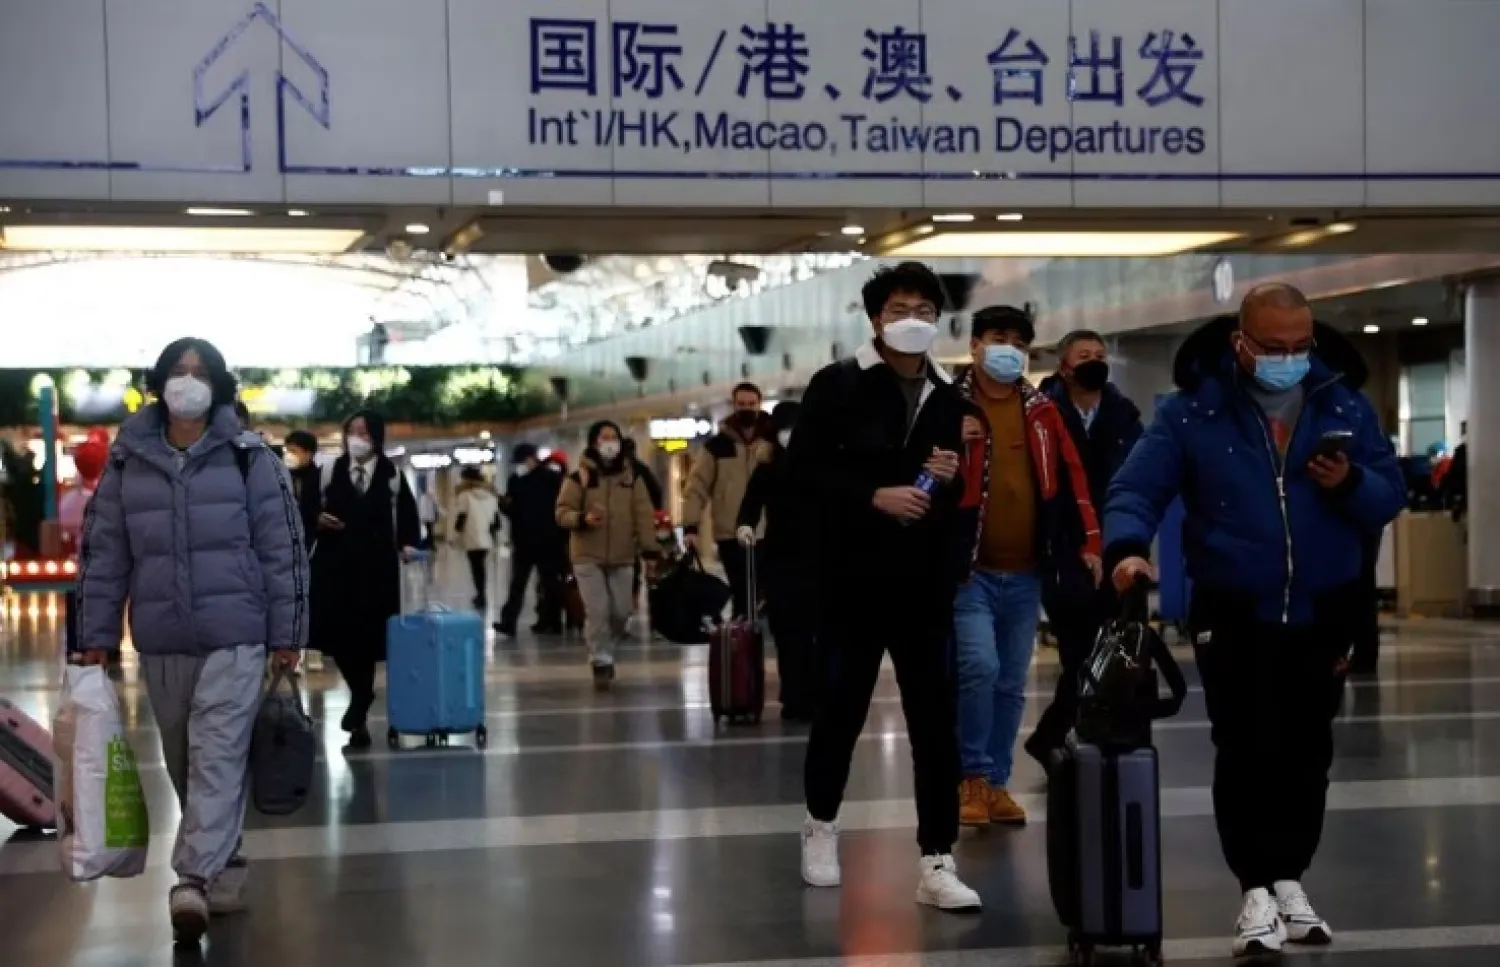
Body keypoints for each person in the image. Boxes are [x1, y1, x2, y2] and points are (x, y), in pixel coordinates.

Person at [1106, 284, 1405, 957]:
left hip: (1324, 610)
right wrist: (1126, 551)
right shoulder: (1193, 414)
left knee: (1307, 751)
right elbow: (1135, 487)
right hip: (1234, 610)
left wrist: (1350, 482)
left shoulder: (1344, 405)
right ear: (1240, 342)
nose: (1289, 358)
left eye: (1301, 346)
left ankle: (1290, 878)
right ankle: (1254, 891)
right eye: (1273, 348)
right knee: (1245, 747)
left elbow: (1389, 494)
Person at [76, 337, 308, 941]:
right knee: (186, 759)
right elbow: (104, 555)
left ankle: (190, 882)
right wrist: (93, 637)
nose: (187, 381)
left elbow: (283, 552)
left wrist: (287, 634)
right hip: (161, 639)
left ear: (220, 386)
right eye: (177, 372)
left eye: (200, 373)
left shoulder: (249, 458)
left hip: (238, 635)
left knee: (219, 754)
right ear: (159, 383)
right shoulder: (129, 462)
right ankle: (223, 860)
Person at [791, 261, 979, 911]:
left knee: (935, 724)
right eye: (901, 310)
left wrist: (943, 481)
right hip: (851, 583)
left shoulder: (950, 395)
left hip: (924, 587)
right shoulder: (837, 386)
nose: (914, 322)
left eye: (926, 311)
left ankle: (937, 857)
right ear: (875, 318)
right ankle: (820, 826)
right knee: (839, 713)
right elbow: (803, 478)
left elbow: (948, 496)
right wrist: (874, 495)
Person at [949, 307, 1102, 828]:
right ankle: (969, 776)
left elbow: (1073, 476)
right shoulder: (949, 405)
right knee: (979, 669)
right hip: (968, 570)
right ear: (974, 345)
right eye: (997, 338)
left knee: (1012, 681)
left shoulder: (1042, 410)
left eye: (1017, 341)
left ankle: (995, 782)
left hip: (1027, 570)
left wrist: (1090, 541)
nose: (1008, 348)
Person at [1028, 329, 1144, 767]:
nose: (1094, 361)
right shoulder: (1042, 414)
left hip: (1112, 545)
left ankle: (1062, 733)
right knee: (1081, 648)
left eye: (1099, 354)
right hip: (1065, 551)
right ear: (1064, 366)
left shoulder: (1123, 415)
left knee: (1099, 650)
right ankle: (1059, 733)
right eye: (1084, 355)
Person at [309, 410, 421, 749]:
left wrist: (406, 543)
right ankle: (362, 696)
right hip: (334, 568)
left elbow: (408, 520)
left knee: (368, 641)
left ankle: (358, 713)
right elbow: (304, 509)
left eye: (364, 431)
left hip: (377, 570)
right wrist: (317, 520)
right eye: (351, 431)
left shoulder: (392, 476)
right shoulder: (329, 471)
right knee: (340, 639)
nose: (356, 437)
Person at [555, 421, 660, 690]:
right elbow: (561, 512)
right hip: (587, 555)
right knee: (597, 610)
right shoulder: (579, 478)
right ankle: (600, 658)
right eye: (605, 438)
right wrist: (581, 518)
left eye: (614, 437)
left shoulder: (631, 477)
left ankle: (605, 646)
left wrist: (650, 550)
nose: (610, 442)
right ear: (594, 443)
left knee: (622, 611)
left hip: (624, 555)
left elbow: (643, 515)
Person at [736, 401, 815, 721]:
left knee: (814, 632)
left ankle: (813, 693)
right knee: (787, 633)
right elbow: (751, 503)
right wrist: (744, 525)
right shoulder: (768, 468)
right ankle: (794, 696)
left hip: (818, 559)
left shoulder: (821, 464)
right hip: (782, 559)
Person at [682, 382, 774, 618]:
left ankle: (758, 635)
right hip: (730, 532)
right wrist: (690, 527)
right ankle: (742, 642)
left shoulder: (772, 442)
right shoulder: (716, 446)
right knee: (742, 591)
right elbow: (696, 487)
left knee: (767, 591)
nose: (746, 408)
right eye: (741, 404)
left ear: (759, 404)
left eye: (751, 404)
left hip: (769, 530)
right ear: (734, 406)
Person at [496, 443, 567, 637]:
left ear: (531, 459)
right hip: (528, 541)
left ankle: (551, 621)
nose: (518, 466)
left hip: (546, 540)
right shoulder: (516, 480)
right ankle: (509, 622)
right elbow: (513, 510)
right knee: (519, 584)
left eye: (520, 461)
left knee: (548, 583)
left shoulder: (552, 479)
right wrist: (504, 506)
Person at [282, 429, 325, 671]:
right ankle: (291, 651)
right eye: (287, 450)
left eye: (294, 450)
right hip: (287, 546)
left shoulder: (321, 479)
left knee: (313, 599)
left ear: (308, 453)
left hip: (314, 545)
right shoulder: (281, 477)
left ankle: (314, 651)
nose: (289, 455)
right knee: (290, 599)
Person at [454, 466, 502, 612]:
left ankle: (481, 595)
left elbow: (461, 518)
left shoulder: (464, 496)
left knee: (476, 568)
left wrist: (455, 534)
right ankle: (481, 594)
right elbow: (497, 522)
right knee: (480, 567)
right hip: (486, 537)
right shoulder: (491, 495)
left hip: (472, 536)